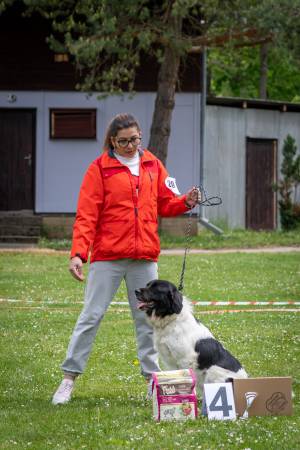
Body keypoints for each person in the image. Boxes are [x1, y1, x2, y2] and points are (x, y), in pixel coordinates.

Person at [52, 113, 199, 405]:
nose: (130, 145)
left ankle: (152, 381)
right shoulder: (98, 169)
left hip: (144, 257)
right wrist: (79, 253)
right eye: (123, 141)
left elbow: (165, 202)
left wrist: (185, 201)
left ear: (140, 136)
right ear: (111, 141)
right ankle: (68, 379)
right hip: (107, 257)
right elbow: (86, 215)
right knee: (91, 316)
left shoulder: (153, 164)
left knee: (148, 321)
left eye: (135, 139)